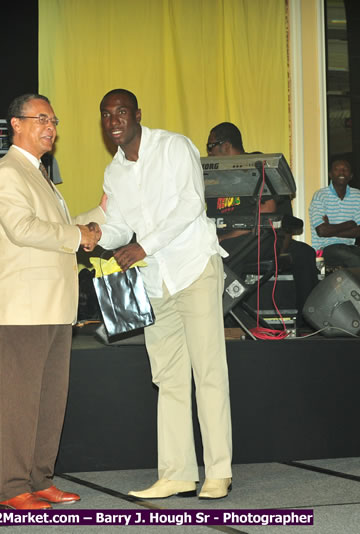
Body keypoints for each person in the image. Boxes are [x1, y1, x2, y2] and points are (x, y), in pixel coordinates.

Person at [97, 89, 233, 500]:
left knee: (208, 371)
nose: (114, 120)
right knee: (169, 378)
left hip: (194, 268)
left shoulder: (174, 147)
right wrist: (92, 233)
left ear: (138, 114)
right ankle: (177, 473)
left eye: (121, 112)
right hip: (156, 281)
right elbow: (119, 226)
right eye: (106, 115)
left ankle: (218, 472)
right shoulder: (114, 173)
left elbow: (192, 203)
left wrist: (144, 245)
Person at [0, 93, 104, 510]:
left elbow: (57, 229)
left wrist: (94, 222)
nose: (50, 127)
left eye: (54, 120)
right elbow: (22, 228)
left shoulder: (39, 174)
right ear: (15, 124)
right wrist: (77, 236)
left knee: (50, 401)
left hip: (53, 306)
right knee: (19, 403)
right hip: (22, 308)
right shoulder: (7, 173)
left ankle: (41, 479)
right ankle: (13, 488)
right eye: (41, 119)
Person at [206, 122, 319, 327]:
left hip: (266, 239)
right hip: (234, 241)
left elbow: (266, 213)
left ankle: (309, 325)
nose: (210, 152)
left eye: (211, 146)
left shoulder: (257, 166)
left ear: (225, 145)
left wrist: (227, 236)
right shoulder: (214, 180)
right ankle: (227, 324)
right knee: (207, 254)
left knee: (304, 254)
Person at [309, 159, 360, 300]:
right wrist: (349, 224)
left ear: (351, 176)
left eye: (345, 169)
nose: (341, 172)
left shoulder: (357, 195)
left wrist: (332, 229)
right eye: (337, 169)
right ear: (330, 174)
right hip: (325, 248)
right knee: (354, 261)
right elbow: (322, 232)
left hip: (349, 246)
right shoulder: (320, 196)